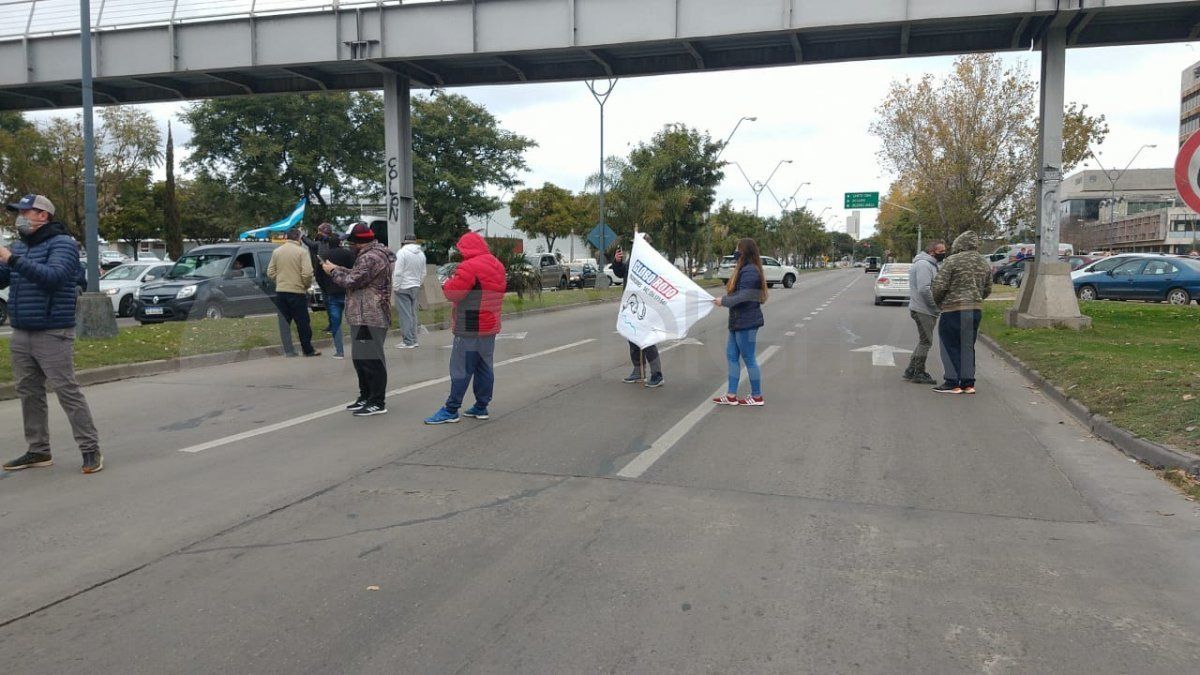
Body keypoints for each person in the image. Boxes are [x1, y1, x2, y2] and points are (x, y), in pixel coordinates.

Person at [0, 194, 103, 474]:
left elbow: (54, 277)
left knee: (66, 391)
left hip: (53, 331)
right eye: (17, 212)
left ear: (43, 215)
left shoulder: (63, 245)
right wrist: (7, 261)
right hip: (22, 331)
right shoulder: (20, 245)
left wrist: (12, 260)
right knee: (28, 392)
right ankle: (38, 450)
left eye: (25, 212)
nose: (19, 217)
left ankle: (90, 449)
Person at [424, 231, 506, 425]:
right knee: (484, 366)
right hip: (491, 323)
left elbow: (453, 293)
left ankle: (451, 409)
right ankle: (481, 406)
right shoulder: (497, 264)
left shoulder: (469, 266)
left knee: (461, 368)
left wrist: (447, 283)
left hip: (471, 323)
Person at [322, 223, 395, 416]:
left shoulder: (370, 257)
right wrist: (339, 268)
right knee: (361, 358)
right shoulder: (371, 255)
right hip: (363, 314)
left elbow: (351, 281)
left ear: (359, 242)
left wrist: (332, 271)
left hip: (370, 315)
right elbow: (358, 275)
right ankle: (366, 396)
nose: (349, 246)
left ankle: (377, 401)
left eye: (351, 242)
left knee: (371, 360)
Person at [931, 231, 992, 395]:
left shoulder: (952, 261)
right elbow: (987, 289)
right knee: (967, 345)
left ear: (959, 244)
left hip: (953, 309)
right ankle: (968, 383)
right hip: (974, 310)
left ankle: (952, 382)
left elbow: (939, 286)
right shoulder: (984, 262)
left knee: (949, 345)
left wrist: (939, 302)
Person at [711, 238, 767, 406]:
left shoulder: (750, 271)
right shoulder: (745, 269)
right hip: (738, 321)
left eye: (738, 249)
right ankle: (731, 395)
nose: (735, 252)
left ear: (744, 251)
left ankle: (757, 396)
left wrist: (724, 301)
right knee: (732, 356)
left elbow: (744, 296)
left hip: (747, 321)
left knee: (749, 358)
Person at [611, 236, 664, 388]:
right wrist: (618, 262)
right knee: (632, 337)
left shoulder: (653, 261)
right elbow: (621, 273)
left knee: (647, 339)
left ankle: (657, 374)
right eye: (633, 244)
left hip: (647, 306)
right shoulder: (632, 260)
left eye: (638, 244)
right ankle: (638, 371)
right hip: (630, 304)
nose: (635, 247)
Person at [267, 227, 319, 357]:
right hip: (297, 291)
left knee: (284, 323)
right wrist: (305, 285)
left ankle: (289, 350)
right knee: (302, 322)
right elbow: (307, 273)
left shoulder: (277, 251)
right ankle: (307, 349)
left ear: (287, 237)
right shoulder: (302, 252)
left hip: (281, 291)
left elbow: (270, 272)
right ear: (298, 237)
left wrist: (280, 281)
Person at [903, 240, 947, 385]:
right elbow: (924, 289)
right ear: (931, 252)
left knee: (923, 341)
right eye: (941, 251)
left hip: (923, 309)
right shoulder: (924, 265)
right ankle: (919, 372)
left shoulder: (929, 264)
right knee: (926, 342)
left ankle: (911, 370)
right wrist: (934, 307)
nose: (943, 254)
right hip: (923, 309)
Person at [320, 234, 356, 359]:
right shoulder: (348, 254)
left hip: (332, 292)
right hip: (348, 291)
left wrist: (325, 288)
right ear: (340, 243)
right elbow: (355, 271)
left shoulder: (324, 256)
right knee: (353, 321)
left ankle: (339, 351)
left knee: (336, 323)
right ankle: (357, 348)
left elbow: (319, 274)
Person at [302, 223, 339, 333]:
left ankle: (333, 325)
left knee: (329, 303)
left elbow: (311, 244)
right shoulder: (331, 242)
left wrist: (302, 236)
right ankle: (333, 324)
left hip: (325, 277)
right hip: (330, 277)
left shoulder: (322, 243)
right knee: (330, 303)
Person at [392, 233, 427, 349]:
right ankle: (414, 339)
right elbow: (423, 272)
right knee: (413, 314)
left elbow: (398, 272)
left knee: (405, 315)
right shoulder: (421, 254)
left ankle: (408, 341)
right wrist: (419, 283)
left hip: (403, 286)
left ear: (404, 241)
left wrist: (395, 287)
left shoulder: (402, 253)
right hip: (415, 286)